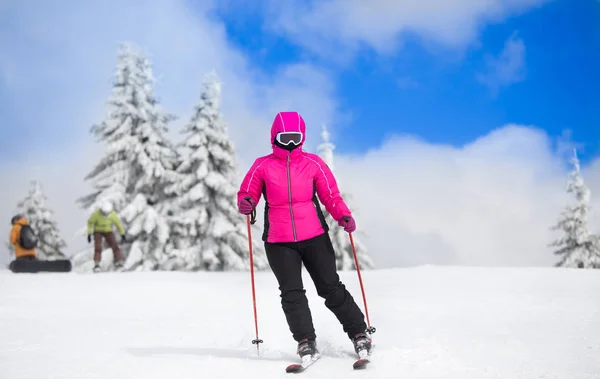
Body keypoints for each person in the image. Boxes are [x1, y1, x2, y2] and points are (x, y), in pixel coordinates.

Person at [236, 111, 372, 360]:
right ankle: (305, 340)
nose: (290, 144)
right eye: (285, 137)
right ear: (274, 136)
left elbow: (330, 195)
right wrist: (246, 201)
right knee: (291, 292)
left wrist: (343, 215)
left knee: (330, 287)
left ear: (303, 137)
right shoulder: (262, 165)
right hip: (279, 241)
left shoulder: (313, 163)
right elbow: (247, 191)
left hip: (314, 236)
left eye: (295, 137)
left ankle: (359, 333)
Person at [87, 201, 126, 272]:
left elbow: (118, 224)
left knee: (115, 246)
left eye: (107, 213)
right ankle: (97, 264)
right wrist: (89, 233)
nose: (105, 215)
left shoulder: (112, 214)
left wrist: (122, 234)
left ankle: (119, 263)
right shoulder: (96, 214)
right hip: (98, 231)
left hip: (108, 231)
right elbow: (90, 222)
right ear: (102, 211)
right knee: (98, 247)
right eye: (104, 213)